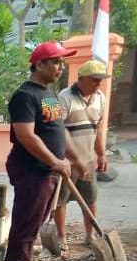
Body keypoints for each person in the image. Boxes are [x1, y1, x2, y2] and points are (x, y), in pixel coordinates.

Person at [5, 41, 86, 261]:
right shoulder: (24, 96)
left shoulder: (48, 94)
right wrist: (55, 161)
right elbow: (26, 135)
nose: (60, 67)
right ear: (39, 64)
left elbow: (58, 130)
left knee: (36, 222)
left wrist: (75, 158)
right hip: (32, 170)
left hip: (49, 170)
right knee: (26, 225)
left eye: (61, 62)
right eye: (56, 62)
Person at [52, 60, 109, 250]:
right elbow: (58, 130)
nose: (98, 84)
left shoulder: (100, 97)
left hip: (88, 160)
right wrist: (74, 159)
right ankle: (61, 237)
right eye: (94, 80)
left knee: (91, 198)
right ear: (81, 79)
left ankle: (90, 235)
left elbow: (98, 127)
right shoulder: (62, 97)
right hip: (67, 161)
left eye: (100, 80)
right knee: (61, 201)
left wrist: (101, 154)